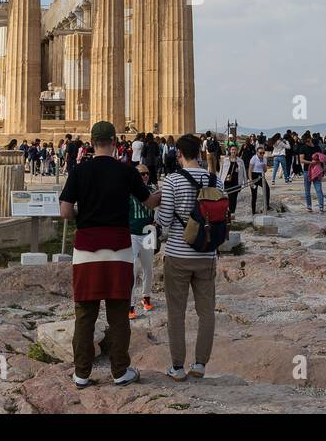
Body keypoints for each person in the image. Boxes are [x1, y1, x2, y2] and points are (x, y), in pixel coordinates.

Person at [59, 121, 159, 388]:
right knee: (118, 315)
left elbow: (66, 212)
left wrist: (84, 215)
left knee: (85, 315)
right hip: (119, 248)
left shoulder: (79, 170)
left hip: (87, 248)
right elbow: (149, 202)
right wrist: (169, 192)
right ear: (115, 143)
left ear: (91, 143)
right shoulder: (126, 171)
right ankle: (119, 372)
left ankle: (81, 374)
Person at [154, 134, 218, 381]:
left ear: (179, 154)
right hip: (207, 253)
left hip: (178, 255)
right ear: (200, 153)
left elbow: (165, 221)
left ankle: (178, 368)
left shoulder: (172, 181)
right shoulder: (215, 180)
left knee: (176, 313)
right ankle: (200, 364)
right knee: (206, 312)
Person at [128, 164, 157, 320]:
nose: (145, 176)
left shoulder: (153, 191)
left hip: (147, 234)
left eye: (147, 173)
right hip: (132, 235)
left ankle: (146, 297)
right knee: (132, 270)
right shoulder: (127, 191)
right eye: (141, 174)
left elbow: (161, 207)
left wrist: (157, 223)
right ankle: (130, 305)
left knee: (148, 268)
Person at [218, 144, 246, 217]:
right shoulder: (225, 160)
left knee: (234, 197)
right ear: (230, 151)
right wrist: (219, 181)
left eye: (235, 150)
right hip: (227, 181)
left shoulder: (240, 161)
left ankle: (232, 212)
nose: (233, 151)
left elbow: (244, 172)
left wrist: (245, 182)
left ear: (237, 151)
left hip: (236, 181)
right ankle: (230, 212)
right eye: (232, 149)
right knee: (230, 197)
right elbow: (221, 171)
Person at [304, 143, 326, 212]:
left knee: (308, 190)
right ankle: (321, 207)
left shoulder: (303, 147)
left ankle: (309, 206)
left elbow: (301, 160)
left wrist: (311, 163)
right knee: (318, 190)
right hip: (317, 171)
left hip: (307, 171)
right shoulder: (317, 147)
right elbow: (323, 159)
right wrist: (314, 162)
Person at [248, 146, 269, 214]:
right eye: (260, 153)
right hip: (254, 175)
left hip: (261, 176)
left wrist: (264, 166)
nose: (262, 154)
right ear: (257, 152)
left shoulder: (264, 159)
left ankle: (267, 205)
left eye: (263, 153)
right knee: (254, 194)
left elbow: (265, 170)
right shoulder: (254, 158)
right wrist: (250, 180)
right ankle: (253, 211)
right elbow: (250, 170)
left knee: (267, 189)